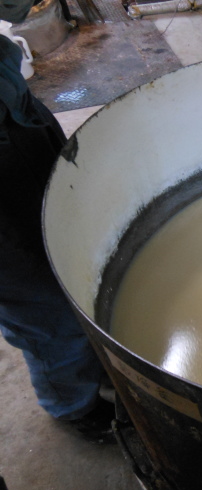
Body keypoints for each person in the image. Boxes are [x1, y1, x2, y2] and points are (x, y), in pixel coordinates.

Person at [1, 0, 115, 443]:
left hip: (11, 110)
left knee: (72, 244)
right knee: (44, 307)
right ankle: (73, 405)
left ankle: (91, 357)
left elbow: (14, 7)